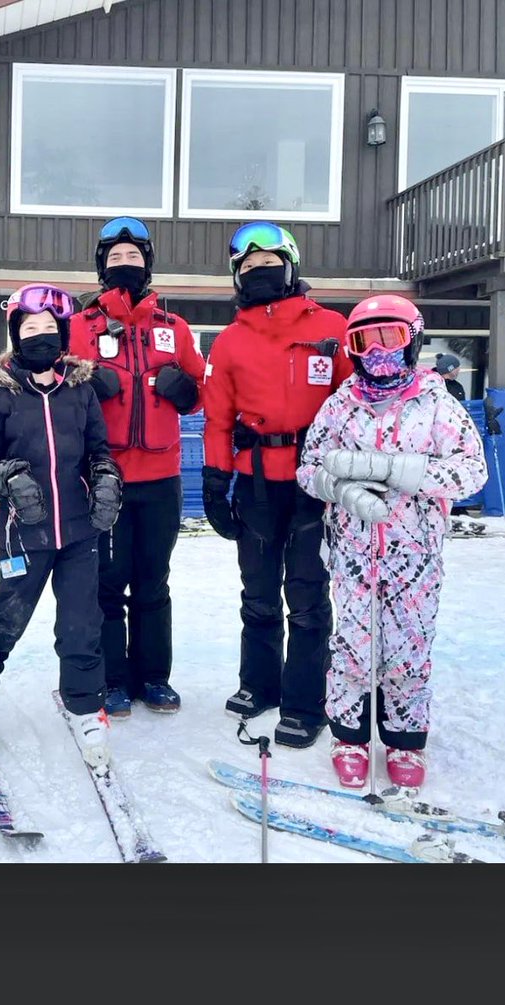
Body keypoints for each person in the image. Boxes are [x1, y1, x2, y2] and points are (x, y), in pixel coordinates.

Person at [297, 295, 487, 790]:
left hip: (415, 552)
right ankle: (350, 735)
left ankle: (405, 740)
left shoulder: (438, 403)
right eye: (366, 341)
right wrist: (341, 488)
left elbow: (472, 471)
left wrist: (404, 472)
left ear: (414, 341)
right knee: (354, 646)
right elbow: (308, 466)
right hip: (354, 550)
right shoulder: (341, 403)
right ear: (352, 349)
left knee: (408, 646)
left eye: (391, 338)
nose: (379, 351)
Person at [0, 285, 122, 768]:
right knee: (8, 617)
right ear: (15, 337)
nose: (41, 338)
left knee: (82, 623)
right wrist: (7, 478)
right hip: (23, 530)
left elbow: (98, 453)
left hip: (79, 529)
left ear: (63, 335)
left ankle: (85, 705)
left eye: (50, 330)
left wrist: (107, 478)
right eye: (31, 329)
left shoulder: (80, 390)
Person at [201, 221, 351, 749]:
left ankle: (307, 701)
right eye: (248, 268)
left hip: (316, 483)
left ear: (290, 268)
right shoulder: (230, 341)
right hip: (257, 483)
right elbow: (217, 419)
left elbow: (354, 405)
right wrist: (215, 483)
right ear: (236, 278)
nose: (259, 273)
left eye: (269, 265)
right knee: (259, 592)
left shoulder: (331, 327)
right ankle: (259, 684)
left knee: (308, 595)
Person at [69, 216, 205, 719]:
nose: (124, 263)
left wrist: (186, 392)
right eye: (114, 257)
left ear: (148, 264)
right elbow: (55, 391)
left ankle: (154, 677)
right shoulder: (78, 329)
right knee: (107, 582)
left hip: (161, 479)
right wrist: (85, 387)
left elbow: (199, 393)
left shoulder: (174, 328)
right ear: (101, 266)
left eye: (134, 256)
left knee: (154, 581)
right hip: (104, 478)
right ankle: (112, 681)